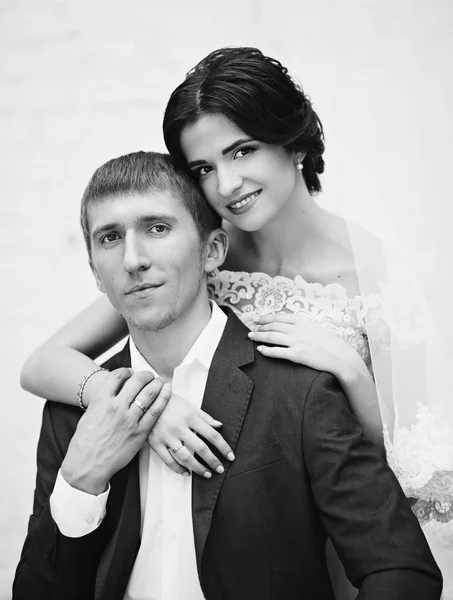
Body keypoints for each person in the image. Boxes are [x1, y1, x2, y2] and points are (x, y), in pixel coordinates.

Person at [20, 47, 453, 595]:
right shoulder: (184, 263)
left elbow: (427, 485)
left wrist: (353, 375)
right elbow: (44, 364)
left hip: (332, 536)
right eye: (203, 168)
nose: (225, 185)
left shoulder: (379, 280)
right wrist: (151, 409)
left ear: (292, 141)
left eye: (242, 150)